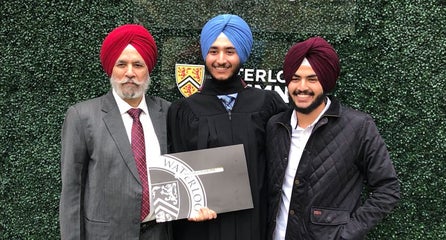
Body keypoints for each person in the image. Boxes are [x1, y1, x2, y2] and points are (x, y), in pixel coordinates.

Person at [266, 37, 400, 240]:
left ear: (326, 81)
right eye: (295, 78)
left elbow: (387, 188)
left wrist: (346, 234)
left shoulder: (358, 127)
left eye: (312, 79)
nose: (302, 87)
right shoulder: (275, 126)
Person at [167, 14, 288, 240]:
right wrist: (186, 206)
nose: (221, 59)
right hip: (202, 228)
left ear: (241, 54)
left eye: (229, 51)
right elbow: (176, 174)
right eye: (213, 51)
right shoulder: (184, 110)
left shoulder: (267, 104)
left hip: (254, 225)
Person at [59, 24, 172, 240]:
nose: (130, 73)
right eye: (122, 64)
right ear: (111, 67)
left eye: (138, 64)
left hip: (159, 234)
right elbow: (72, 190)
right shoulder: (82, 116)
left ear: (148, 68)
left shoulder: (167, 112)